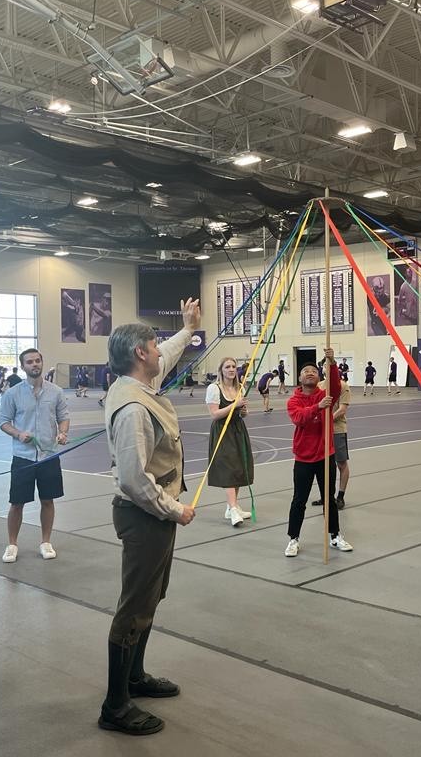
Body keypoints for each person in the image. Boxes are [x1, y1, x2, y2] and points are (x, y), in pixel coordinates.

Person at [98, 299, 200, 736]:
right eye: (155, 345)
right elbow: (134, 481)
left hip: (155, 520)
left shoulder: (138, 387)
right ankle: (115, 705)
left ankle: (135, 678)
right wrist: (175, 510)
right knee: (133, 608)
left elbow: (172, 353)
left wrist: (189, 329)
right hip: (145, 518)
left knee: (149, 601)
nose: (161, 351)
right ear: (140, 353)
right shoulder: (133, 407)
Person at [0, 348, 70, 563]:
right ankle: (12, 544)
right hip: (23, 457)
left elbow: (63, 417)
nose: (34, 364)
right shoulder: (13, 394)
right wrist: (18, 434)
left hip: (48, 456)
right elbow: (3, 421)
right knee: (17, 502)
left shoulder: (56, 392)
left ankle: (46, 542)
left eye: (38, 360)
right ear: (23, 366)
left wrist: (62, 432)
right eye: (29, 362)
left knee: (48, 500)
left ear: (42, 362)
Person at [283, 349, 354, 558]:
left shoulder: (326, 395)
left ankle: (335, 535)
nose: (310, 373)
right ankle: (293, 539)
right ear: (299, 377)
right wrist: (317, 407)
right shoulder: (293, 401)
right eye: (306, 371)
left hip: (325, 455)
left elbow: (334, 382)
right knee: (299, 500)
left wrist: (331, 363)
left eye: (314, 370)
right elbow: (299, 418)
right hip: (303, 458)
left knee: (329, 499)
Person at [205, 357, 255, 527]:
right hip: (222, 431)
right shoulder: (214, 388)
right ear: (221, 370)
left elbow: (241, 414)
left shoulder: (239, 388)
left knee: (239, 467)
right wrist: (234, 405)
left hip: (238, 430)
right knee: (228, 468)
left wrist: (243, 411)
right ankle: (233, 509)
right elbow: (214, 414)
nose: (231, 369)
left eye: (234, 366)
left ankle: (231, 506)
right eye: (227, 367)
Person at [313, 374, 352, 509]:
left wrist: (328, 420)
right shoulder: (319, 386)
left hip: (337, 430)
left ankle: (340, 496)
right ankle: (326, 497)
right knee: (323, 466)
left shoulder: (343, 386)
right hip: (321, 431)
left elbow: (342, 409)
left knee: (341, 464)